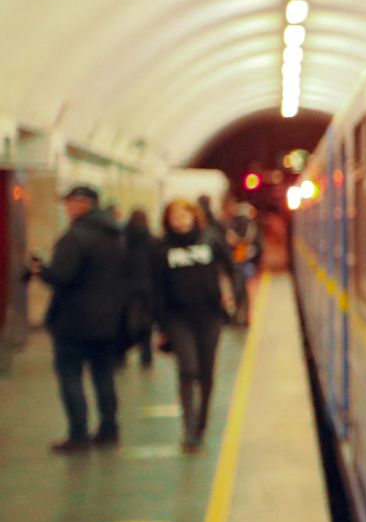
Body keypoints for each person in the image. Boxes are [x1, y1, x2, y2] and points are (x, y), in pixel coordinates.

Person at [27, 185, 126, 453]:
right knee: (104, 376)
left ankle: (79, 434)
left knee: (70, 377)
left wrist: (41, 270)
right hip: (108, 320)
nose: (67, 209)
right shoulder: (116, 235)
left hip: (74, 321)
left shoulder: (75, 236)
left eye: (70, 203)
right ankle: (109, 429)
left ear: (83, 204)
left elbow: (62, 275)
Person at [151, 199, 234, 452]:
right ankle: (188, 428)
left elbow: (230, 268)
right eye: (175, 215)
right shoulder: (162, 248)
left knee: (206, 371)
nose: (180, 220)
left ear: (194, 216)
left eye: (185, 214)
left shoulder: (210, 240)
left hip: (209, 315)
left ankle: (201, 424)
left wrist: (234, 300)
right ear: (168, 219)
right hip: (178, 317)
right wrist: (161, 324)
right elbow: (156, 287)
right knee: (188, 369)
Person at [119, 209, 156, 368]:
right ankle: (146, 356)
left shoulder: (122, 240)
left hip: (126, 288)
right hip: (148, 287)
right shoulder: (153, 240)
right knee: (146, 323)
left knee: (124, 322)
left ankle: (121, 355)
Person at [221, 197, 261, 326]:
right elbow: (259, 246)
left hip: (236, 262)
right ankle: (244, 317)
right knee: (244, 291)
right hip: (246, 262)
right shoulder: (251, 225)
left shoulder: (232, 224)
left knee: (238, 290)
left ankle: (238, 317)